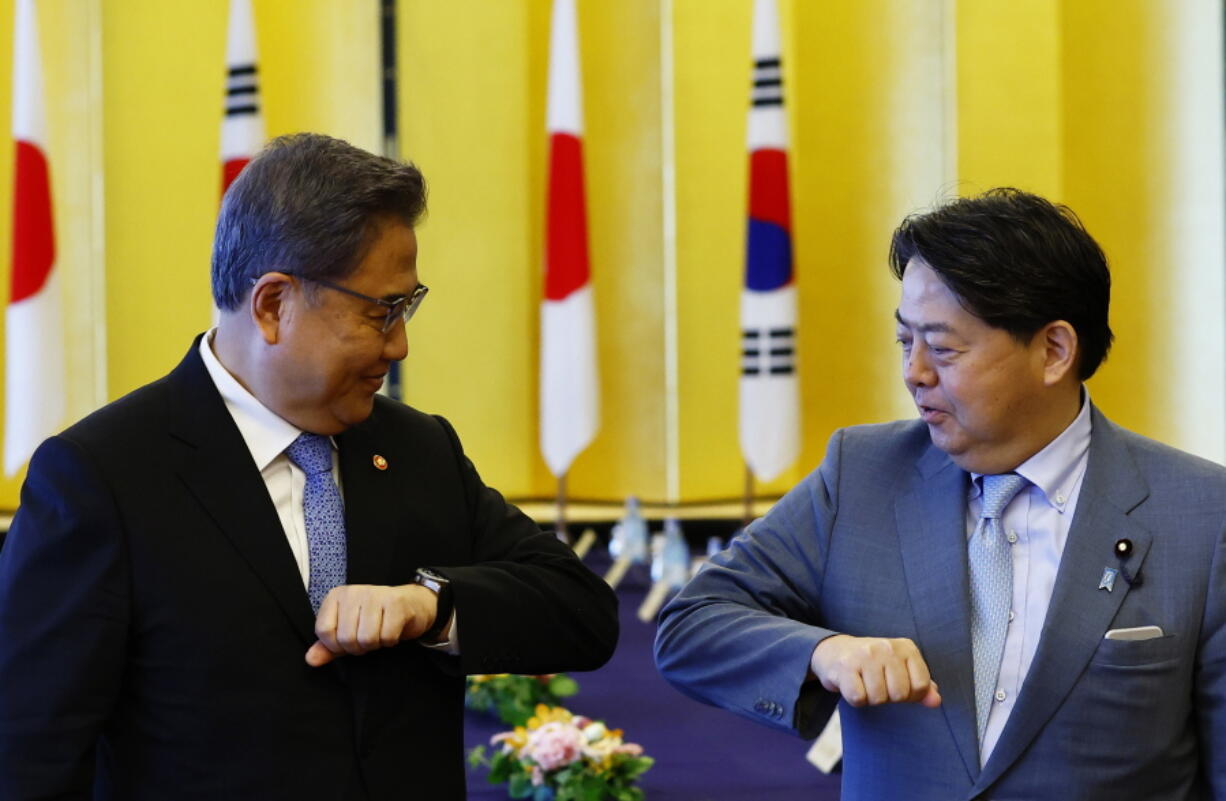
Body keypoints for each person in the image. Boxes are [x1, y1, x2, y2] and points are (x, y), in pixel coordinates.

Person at [0, 132, 618, 800]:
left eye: (407, 306)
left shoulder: (419, 450)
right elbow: (31, 753)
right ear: (273, 305)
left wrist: (430, 605)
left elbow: (583, 612)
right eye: (381, 311)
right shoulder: (103, 477)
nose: (401, 344)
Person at [655, 188, 1226, 800]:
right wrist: (825, 652)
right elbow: (691, 625)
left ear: (1054, 351)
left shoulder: (1201, 514)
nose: (914, 372)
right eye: (906, 341)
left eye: (944, 348)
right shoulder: (862, 475)